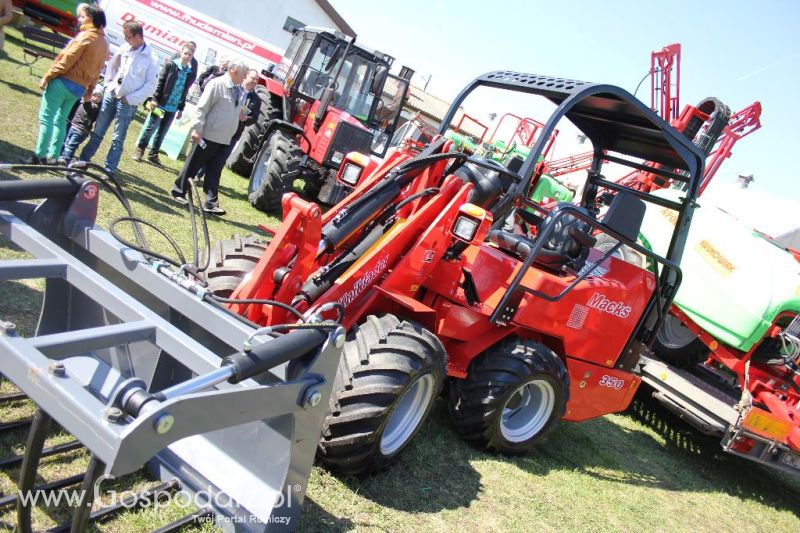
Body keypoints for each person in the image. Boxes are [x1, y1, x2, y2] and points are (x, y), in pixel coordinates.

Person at [26, 3, 108, 164]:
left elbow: (67, 59)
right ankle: (54, 156)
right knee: (61, 121)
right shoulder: (104, 44)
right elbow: (97, 71)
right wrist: (89, 91)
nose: (80, 19)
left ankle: (39, 155)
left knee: (46, 118)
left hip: (63, 82)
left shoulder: (85, 36)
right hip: (78, 88)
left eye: (82, 16)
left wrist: (48, 76)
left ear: (91, 19)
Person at [78, 20, 158, 175]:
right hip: (112, 94)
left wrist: (131, 98)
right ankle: (83, 161)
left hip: (128, 102)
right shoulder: (125, 48)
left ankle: (109, 169)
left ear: (137, 36)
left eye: (128, 37)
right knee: (98, 131)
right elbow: (112, 66)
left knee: (118, 138)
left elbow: (151, 85)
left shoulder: (151, 58)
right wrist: (108, 85)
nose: (126, 40)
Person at [170, 61, 249, 216]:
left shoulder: (239, 90)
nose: (246, 77)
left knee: (215, 171)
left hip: (225, 139)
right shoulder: (217, 84)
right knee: (193, 165)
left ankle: (211, 204)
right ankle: (178, 192)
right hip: (208, 135)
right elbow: (202, 108)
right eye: (244, 74)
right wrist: (198, 129)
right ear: (234, 70)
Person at [133, 41, 197, 165]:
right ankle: (140, 149)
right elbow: (160, 82)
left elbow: (185, 91)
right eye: (185, 53)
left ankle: (153, 155)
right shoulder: (171, 65)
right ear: (181, 52)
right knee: (151, 128)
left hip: (173, 107)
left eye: (189, 55)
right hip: (161, 103)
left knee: (162, 133)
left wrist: (181, 108)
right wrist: (155, 99)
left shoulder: (189, 72)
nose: (186, 56)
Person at [60, 85, 104, 162]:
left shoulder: (96, 107)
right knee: (67, 142)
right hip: (73, 126)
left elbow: (89, 107)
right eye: (94, 95)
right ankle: (63, 157)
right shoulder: (83, 101)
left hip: (81, 131)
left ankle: (65, 159)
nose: (96, 98)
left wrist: (86, 100)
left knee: (71, 145)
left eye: (99, 97)